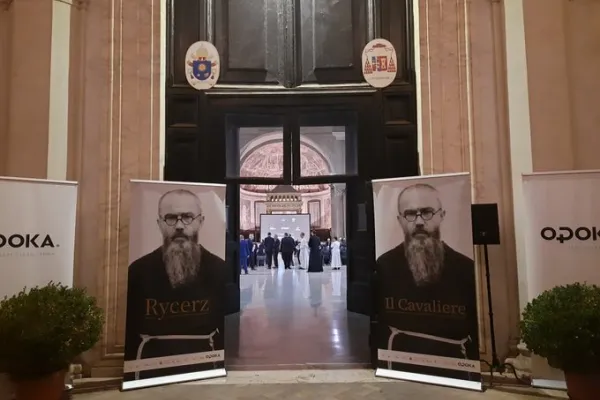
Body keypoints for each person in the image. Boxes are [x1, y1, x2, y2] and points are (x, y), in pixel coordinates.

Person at [375, 183, 479, 381]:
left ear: (442, 215)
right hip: (399, 358)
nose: (420, 221)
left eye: (427, 212)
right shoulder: (385, 264)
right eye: (411, 214)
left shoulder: (465, 267)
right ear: (400, 220)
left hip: (454, 361)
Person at [124, 189, 225, 381]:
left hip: (207, 362)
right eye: (171, 218)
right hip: (151, 365)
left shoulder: (219, 269)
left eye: (187, 217)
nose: (179, 226)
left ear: (200, 222)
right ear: (160, 224)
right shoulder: (138, 271)